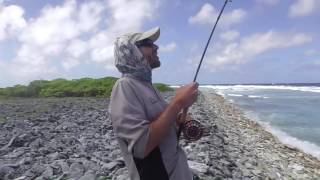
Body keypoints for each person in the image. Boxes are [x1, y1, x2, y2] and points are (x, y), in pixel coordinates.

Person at [109, 27, 198, 180]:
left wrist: (183, 120)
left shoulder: (147, 86)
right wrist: (177, 103)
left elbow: (161, 120)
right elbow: (141, 146)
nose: (156, 47)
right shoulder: (124, 86)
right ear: (131, 51)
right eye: (148, 44)